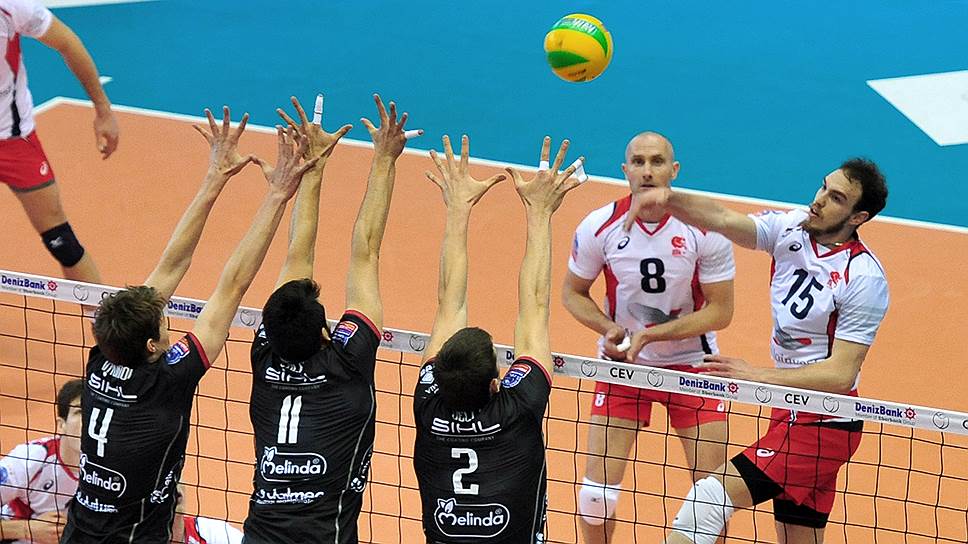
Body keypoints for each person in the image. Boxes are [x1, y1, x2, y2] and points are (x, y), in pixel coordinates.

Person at [61, 108, 321, 543]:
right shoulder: (167, 380)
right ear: (151, 345)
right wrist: (277, 194)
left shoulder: (103, 359)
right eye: (163, 320)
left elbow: (171, 266)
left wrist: (215, 177)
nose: (167, 316)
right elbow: (231, 286)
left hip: (80, 532)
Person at [628, 159, 891, 544]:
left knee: (706, 502)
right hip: (788, 410)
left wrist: (757, 376)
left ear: (858, 217)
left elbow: (840, 375)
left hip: (826, 424)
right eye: (823, 187)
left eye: (836, 198)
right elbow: (722, 218)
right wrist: (668, 198)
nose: (819, 200)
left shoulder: (864, 277)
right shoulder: (792, 228)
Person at [242, 94, 405, 543]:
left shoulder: (266, 356)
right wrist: (384, 160)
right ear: (324, 332)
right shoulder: (346, 362)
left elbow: (298, 257)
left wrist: (312, 166)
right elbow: (365, 252)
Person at [562, 132, 735, 541]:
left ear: (674, 170)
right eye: (638, 162)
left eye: (656, 161)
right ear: (625, 171)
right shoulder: (599, 225)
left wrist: (652, 335)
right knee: (595, 497)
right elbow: (573, 292)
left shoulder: (704, 229)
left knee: (711, 502)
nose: (647, 171)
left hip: (694, 367)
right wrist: (608, 328)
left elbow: (720, 311)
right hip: (624, 366)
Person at [413, 135, 583, 543]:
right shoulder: (517, 408)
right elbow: (535, 305)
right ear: (495, 384)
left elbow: (449, 303)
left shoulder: (430, 406)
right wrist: (539, 211)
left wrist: (457, 209)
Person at [0, 0, 119, 283]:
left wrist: (103, 110)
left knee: (63, 243)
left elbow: (67, 43)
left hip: (15, 141)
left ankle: (101, 313)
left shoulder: (11, 7)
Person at [0, 379, 83, 544]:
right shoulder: (30, 459)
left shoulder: (116, 468)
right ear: (61, 425)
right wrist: (27, 529)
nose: (89, 421)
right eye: (80, 412)